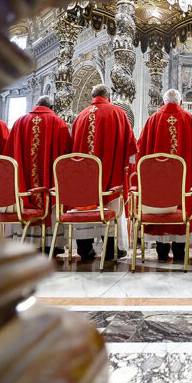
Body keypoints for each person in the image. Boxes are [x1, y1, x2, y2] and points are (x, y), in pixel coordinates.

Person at [70, 84, 138, 261]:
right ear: (109, 96)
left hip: (83, 175)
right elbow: (131, 147)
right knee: (111, 203)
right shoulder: (118, 113)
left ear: (92, 96)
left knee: (85, 205)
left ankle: (84, 248)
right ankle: (110, 249)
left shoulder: (80, 116)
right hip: (110, 172)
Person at [137, 89, 192, 262]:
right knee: (182, 208)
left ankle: (161, 251)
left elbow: (141, 149)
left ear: (163, 102)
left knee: (160, 207)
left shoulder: (153, 120)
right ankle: (180, 252)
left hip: (157, 181)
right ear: (181, 102)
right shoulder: (190, 119)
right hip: (184, 182)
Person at [3, 94, 72, 214]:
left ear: (37, 104)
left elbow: (9, 154)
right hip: (48, 179)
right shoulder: (58, 122)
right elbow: (65, 157)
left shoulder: (19, 122)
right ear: (51, 107)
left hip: (24, 181)